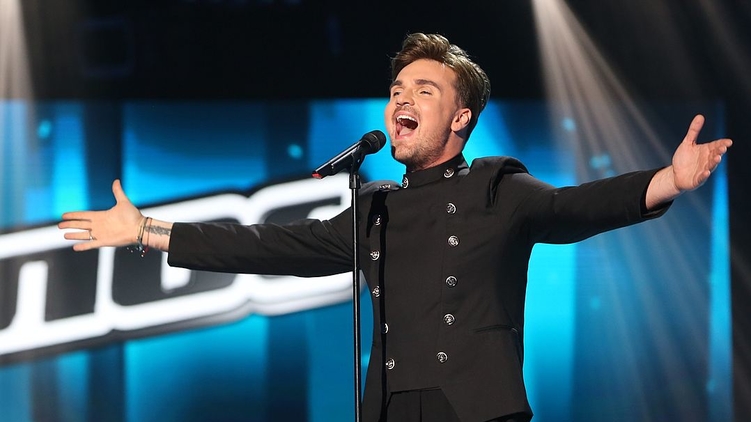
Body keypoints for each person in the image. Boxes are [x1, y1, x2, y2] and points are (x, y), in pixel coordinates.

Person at [58, 33, 732, 422]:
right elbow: (272, 245)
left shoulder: (498, 187)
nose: (402, 99)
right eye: (396, 91)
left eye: (423, 91)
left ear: (461, 118)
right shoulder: (375, 207)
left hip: (475, 408)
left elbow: (575, 207)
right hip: (387, 408)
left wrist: (666, 181)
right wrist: (148, 230)